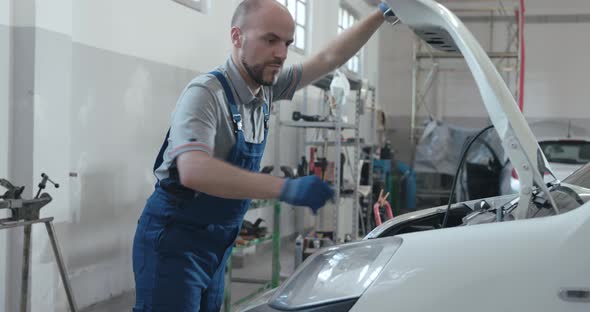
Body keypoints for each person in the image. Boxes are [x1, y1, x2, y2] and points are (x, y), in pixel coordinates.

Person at [132, 1, 397, 311]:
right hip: (174, 241)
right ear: (237, 36)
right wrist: (285, 188)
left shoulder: (267, 87)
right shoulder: (205, 94)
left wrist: (382, 13)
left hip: (218, 244)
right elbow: (195, 170)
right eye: (270, 40)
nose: (282, 54)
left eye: (287, 43)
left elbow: (328, 58)